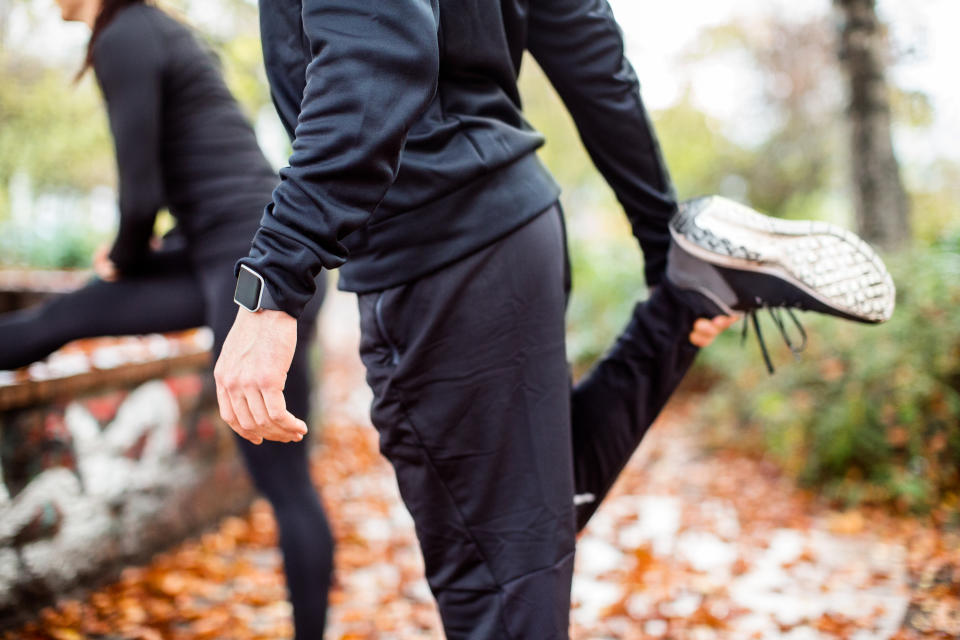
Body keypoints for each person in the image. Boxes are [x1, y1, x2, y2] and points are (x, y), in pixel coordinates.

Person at [215, 0, 895, 638]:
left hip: (431, 254)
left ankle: (689, 292)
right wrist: (664, 246)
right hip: (516, 229)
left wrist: (274, 282)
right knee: (533, 520)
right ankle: (690, 295)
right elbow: (589, 46)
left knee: (497, 590)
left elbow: (373, 59)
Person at [0, 0, 334, 636]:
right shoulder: (151, 32)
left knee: (287, 485)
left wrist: (125, 257)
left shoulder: (125, 33)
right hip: (215, 250)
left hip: (254, 266)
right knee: (67, 315)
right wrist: (129, 263)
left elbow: (140, 197)